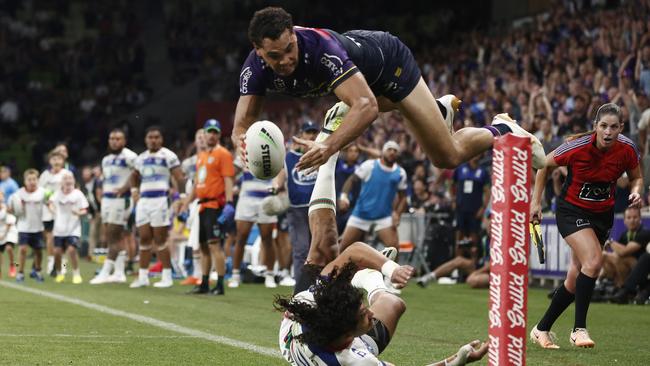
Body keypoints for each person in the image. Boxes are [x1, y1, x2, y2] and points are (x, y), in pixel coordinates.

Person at [232, 7, 545, 178]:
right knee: (348, 104)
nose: (287, 60)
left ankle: (503, 128)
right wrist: (243, 147)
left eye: (290, 48)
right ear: (258, 52)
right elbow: (243, 125)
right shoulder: (253, 70)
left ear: (294, 36)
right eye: (276, 56)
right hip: (361, 77)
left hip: (389, 66)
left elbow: (366, 107)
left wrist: (327, 147)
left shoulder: (320, 50)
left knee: (448, 156)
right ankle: (437, 111)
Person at [275, 126, 488, 366]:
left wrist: (391, 269)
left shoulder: (313, 303)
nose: (370, 311)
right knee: (394, 303)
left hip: (301, 331)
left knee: (324, 246)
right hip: (325, 343)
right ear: (349, 334)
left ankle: (329, 151)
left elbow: (353, 251)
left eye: (363, 307)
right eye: (363, 313)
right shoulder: (356, 361)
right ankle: (370, 276)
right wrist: (458, 360)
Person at [529, 103, 643, 349]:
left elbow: (637, 177)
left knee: (574, 277)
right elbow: (544, 165)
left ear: (621, 128)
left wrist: (636, 192)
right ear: (595, 127)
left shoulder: (627, 149)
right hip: (571, 211)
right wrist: (535, 203)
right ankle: (578, 329)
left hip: (602, 216)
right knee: (594, 262)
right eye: (603, 126)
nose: (608, 132)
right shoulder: (576, 147)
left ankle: (541, 328)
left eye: (614, 127)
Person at [121, 126, 185, 288]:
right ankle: (143, 277)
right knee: (143, 238)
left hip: (160, 201)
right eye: (150, 137)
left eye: (156, 137)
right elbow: (134, 176)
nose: (153, 140)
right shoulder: (140, 158)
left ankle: (167, 276)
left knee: (160, 239)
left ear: (161, 139)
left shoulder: (168, 155)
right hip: (144, 201)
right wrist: (134, 190)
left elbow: (179, 177)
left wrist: (181, 197)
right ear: (146, 139)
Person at [181, 119, 235, 295]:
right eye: (209, 131)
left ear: (219, 135)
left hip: (215, 205)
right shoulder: (202, 156)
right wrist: (185, 204)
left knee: (214, 245)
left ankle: (219, 284)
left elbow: (228, 179)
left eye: (215, 132)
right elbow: (198, 183)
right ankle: (204, 282)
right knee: (203, 246)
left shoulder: (224, 154)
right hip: (202, 206)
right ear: (203, 134)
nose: (212, 135)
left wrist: (229, 202)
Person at [338, 141, 407, 255]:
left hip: (384, 217)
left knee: (394, 250)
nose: (392, 152)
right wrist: (344, 197)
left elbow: (403, 197)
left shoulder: (400, 173)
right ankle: (333, 272)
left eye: (395, 151)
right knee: (343, 249)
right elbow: (351, 180)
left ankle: (391, 273)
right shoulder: (369, 165)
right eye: (389, 149)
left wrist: (397, 214)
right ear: (383, 152)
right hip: (360, 215)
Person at [273, 120, 320, 291]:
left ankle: (317, 286)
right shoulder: (289, 157)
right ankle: (300, 289)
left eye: (314, 132)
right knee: (301, 249)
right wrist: (276, 186)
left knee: (320, 249)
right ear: (301, 135)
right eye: (309, 132)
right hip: (297, 209)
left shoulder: (320, 154)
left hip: (317, 209)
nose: (312, 136)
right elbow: (281, 175)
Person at [90, 128, 138, 284]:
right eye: (112, 138)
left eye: (118, 139)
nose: (114, 141)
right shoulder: (106, 159)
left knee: (113, 235)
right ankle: (119, 272)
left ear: (124, 141)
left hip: (121, 200)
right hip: (108, 200)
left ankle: (105, 271)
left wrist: (126, 188)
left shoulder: (130, 156)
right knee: (113, 236)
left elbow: (138, 173)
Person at [417, 208, 491, 288]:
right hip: (483, 267)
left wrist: (477, 272)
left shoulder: (500, 239)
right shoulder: (483, 235)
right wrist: (472, 253)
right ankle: (429, 277)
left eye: (493, 219)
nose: (491, 222)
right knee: (459, 260)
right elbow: (478, 259)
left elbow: (493, 264)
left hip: (493, 272)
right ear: (485, 220)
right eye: (489, 218)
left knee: (473, 280)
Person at [49, 172, 88, 284]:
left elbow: (84, 209)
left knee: (71, 250)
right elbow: (50, 202)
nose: (68, 180)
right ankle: (59, 272)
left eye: (70, 178)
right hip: (59, 228)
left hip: (73, 228)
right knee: (57, 252)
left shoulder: (78, 194)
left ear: (74, 181)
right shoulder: (57, 194)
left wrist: (79, 212)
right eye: (65, 178)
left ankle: (76, 273)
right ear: (61, 182)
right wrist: (52, 209)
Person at [10, 169, 47, 282]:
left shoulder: (43, 192)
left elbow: (50, 204)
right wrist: (13, 209)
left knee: (38, 251)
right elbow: (11, 208)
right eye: (29, 179)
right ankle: (20, 272)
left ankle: (38, 271)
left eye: (34, 179)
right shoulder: (18, 194)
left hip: (38, 227)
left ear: (38, 180)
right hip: (23, 227)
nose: (32, 182)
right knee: (22, 249)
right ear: (25, 181)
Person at [39, 150, 72, 276]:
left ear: (63, 161)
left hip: (64, 211)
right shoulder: (45, 175)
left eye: (59, 159)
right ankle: (51, 263)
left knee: (64, 240)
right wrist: (47, 202)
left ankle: (62, 265)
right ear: (50, 161)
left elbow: (72, 190)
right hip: (48, 211)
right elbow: (40, 191)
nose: (56, 161)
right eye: (54, 159)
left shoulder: (67, 174)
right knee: (50, 237)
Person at [601, 206, 650, 288]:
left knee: (617, 257)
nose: (632, 220)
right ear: (624, 221)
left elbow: (623, 252)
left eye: (635, 217)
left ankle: (624, 287)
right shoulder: (624, 234)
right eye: (629, 217)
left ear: (640, 219)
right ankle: (608, 283)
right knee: (605, 257)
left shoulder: (644, 233)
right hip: (628, 267)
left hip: (642, 269)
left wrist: (610, 242)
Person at [450, 154, 490, 245]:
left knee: (474, 234)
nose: (475, 155)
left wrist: (483, 208)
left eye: (477, 153)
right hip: (461, 207)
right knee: (459, 233)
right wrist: (453, 199)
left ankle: (473, 258)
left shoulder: (483, 172)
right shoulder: (460, 169)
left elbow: (488, 192)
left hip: (475, 210)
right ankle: (458, 256)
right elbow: (451, 184)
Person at [0, 191, 18, 278]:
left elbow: (9, 223)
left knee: (9, 248)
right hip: (1, 233)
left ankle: (12, 265)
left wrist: (3, 235)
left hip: (9, 231)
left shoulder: (6, 209)